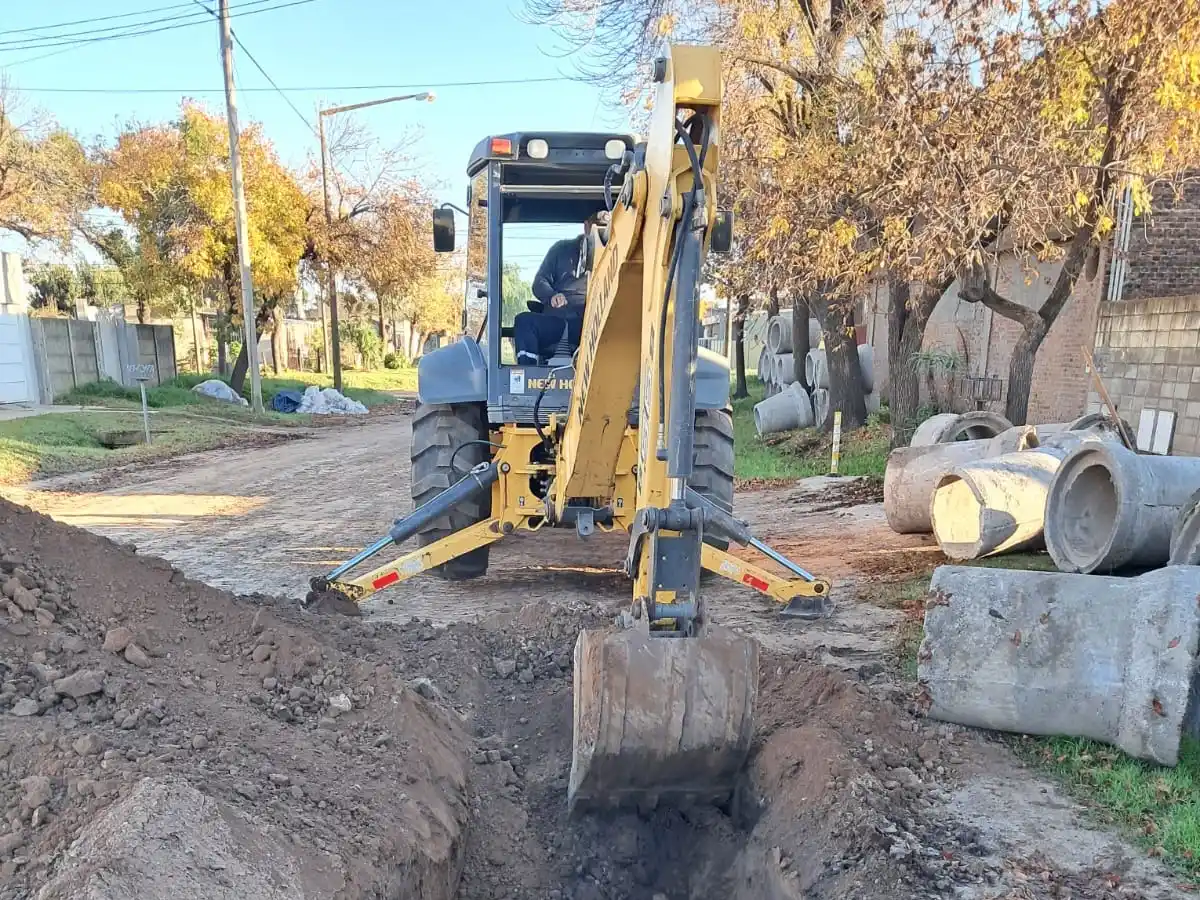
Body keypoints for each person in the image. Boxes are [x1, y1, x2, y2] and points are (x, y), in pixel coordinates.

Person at [513, 212, 604, 365]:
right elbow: (540, 281)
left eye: (605, 228)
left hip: (597, 324)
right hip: (560, 322)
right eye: (597, 226)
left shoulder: (617, 256)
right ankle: (527, 374)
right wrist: (552, 295)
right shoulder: (561, 249)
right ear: (587, 226)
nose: (600, 233)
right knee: (524, 322)